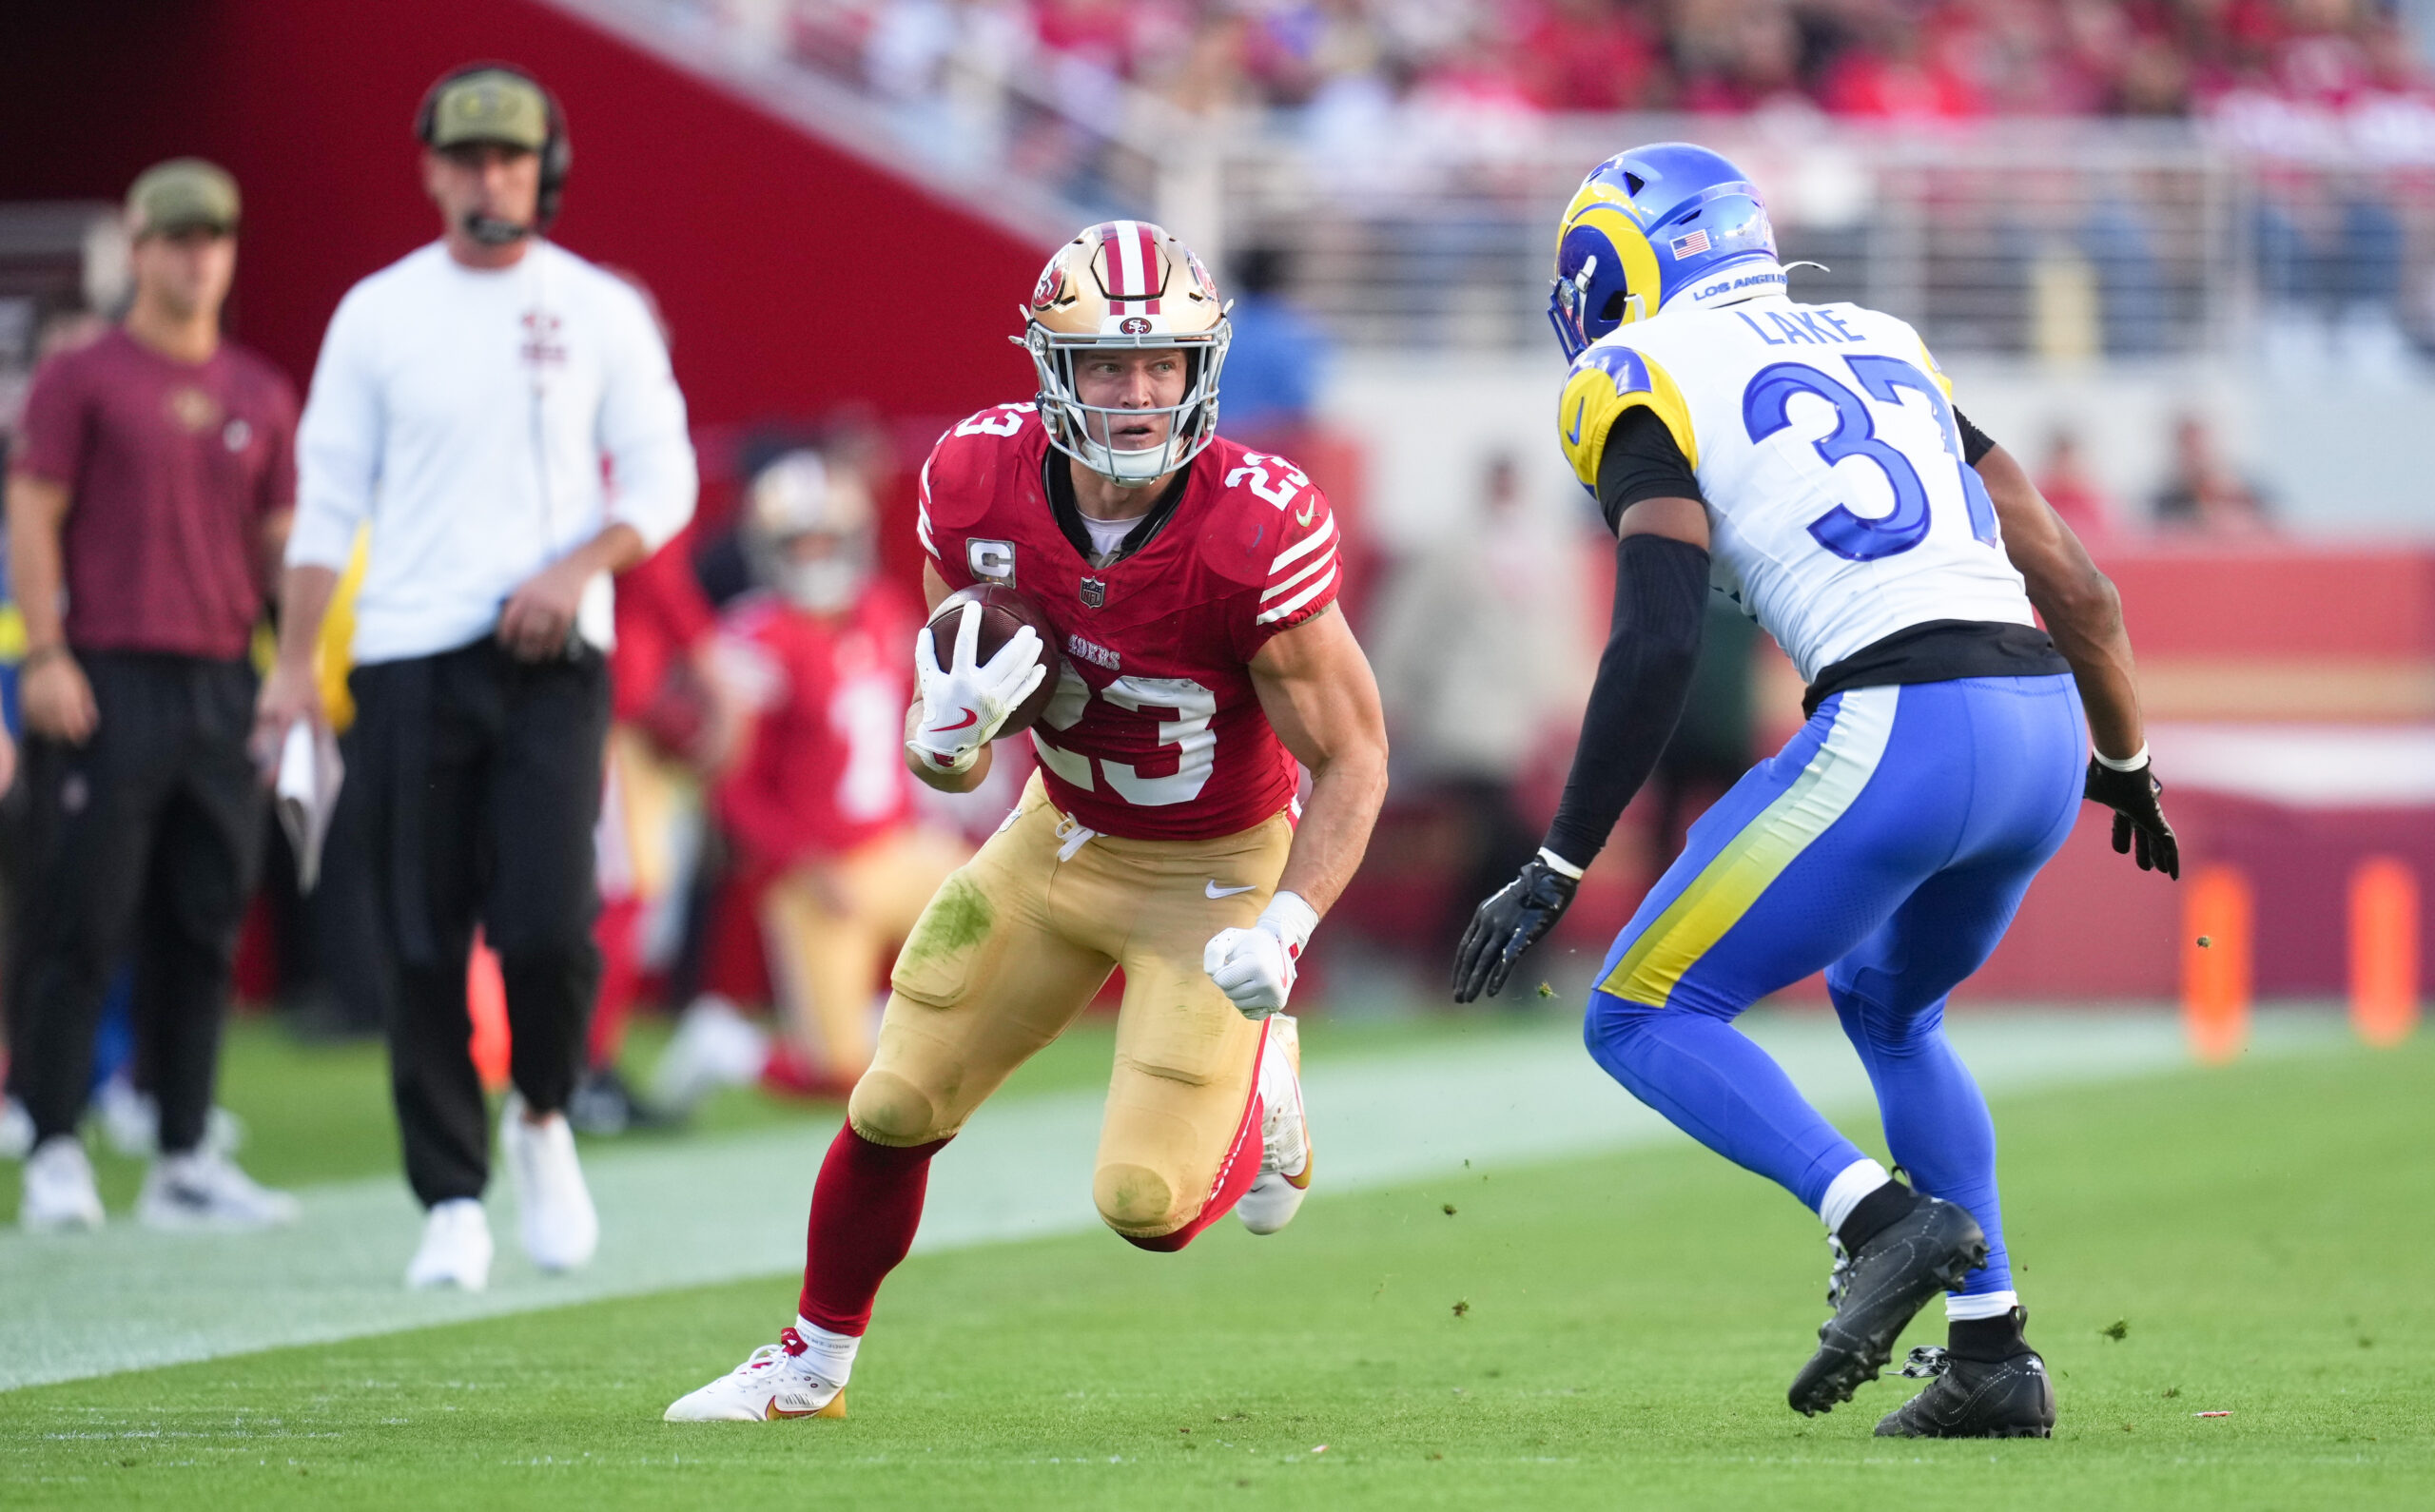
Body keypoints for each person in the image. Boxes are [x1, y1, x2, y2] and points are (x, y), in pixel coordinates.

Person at [1453, 145, 2180, 1440]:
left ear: (1613, 269)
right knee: (1890, 1009)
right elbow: (2076, 582)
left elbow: (1661, 638)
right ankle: (1992, 1355)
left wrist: (1560, 858)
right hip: (2038, 728)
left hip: (1903, 723)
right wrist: (2123, 764)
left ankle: (1879, 1219)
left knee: (1637, 1010)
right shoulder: (1881, 335)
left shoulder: (1637, 374)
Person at [665, 220, 1390, 1422]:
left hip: (1213, 873)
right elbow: (967, 724)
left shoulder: (1256, 524)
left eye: (1162, 362)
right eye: (1107, 363)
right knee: (893, 1103)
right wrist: (941, 740)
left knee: (1146, 1210)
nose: (1139, 389)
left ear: (1203, 367)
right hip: (1057, 838)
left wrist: (1288, 926)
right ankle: (810, 1366)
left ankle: (1266, 1071)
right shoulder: (974, 479)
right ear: (1052, 367)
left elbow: (1355, 756)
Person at [257, 65, 697, 1290]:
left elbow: (661, 479)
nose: (489, 178)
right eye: (468, 157)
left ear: (543, 169)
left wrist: (577, 568)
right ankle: (450, 1197)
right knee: (418, 935)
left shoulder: (597, 306)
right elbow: (324, 502)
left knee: (552, 924)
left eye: (510, 158)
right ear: (433, 168)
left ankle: (545, 1114)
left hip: (556, 657)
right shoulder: (378, 313)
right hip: (404, 650)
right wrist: (294, 668)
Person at [5, 159, 298, 1231]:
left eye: (213, 235)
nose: (195, 254)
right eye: (176, 236)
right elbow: (33, 513)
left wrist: (295, 672)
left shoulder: (261, 392)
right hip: (109, 667)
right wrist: (45, 653)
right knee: (78, 916)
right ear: (138, 248)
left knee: (204, 922)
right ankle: (52, 1144)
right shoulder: (83, 378)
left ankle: (182, 1149)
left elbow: (280, 549)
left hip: (221, 680)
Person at [653, 450, 967, 1106]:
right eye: (798, 542)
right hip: (816, 872)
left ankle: (881, 1019)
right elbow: (731, 787)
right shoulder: (755, 639)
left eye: (827, 538)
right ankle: (725, 1046)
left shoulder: (883, 609)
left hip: (894, 845)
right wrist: (803, 861)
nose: (814, 555)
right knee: (839, 1080)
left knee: (1011, 925)